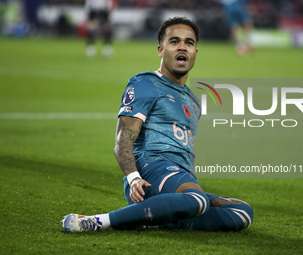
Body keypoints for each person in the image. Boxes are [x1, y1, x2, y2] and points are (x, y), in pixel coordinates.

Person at [61, 17, 253, 232]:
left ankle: (154, 217)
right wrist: (133, 178)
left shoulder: (193, 103)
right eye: (174, 41)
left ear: (195, 53)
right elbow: (123, 138)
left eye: (189, 43)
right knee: (197, 201)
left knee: (242, 213)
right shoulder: (146, 83)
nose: (182, 47)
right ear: (161, 50)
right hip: (149, 172)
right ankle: (98, 221)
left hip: (178, 177)